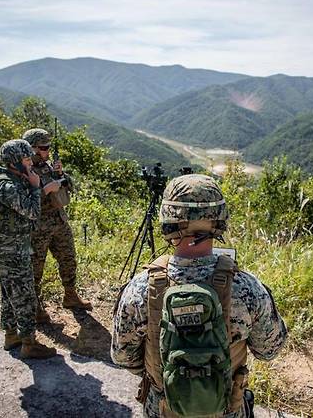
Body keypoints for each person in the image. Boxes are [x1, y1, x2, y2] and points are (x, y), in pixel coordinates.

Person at [111, 174, 287, 418]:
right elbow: (269, 350)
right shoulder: (248, 288)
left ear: (168, 222)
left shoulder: (140, 289)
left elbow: (122, 357)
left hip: (163, 410)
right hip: (227, 409)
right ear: (219, 221)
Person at [0, 139, 57, 359]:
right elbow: (31, 212)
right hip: (12, 250)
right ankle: (29, 342)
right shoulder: (7, 186)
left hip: (12, 246)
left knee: (10, 293)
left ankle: (11, 336)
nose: (30, 162)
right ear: (14, 161)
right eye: (26, 158)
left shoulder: (11, 179)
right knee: (25, 295)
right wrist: (36, 187)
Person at [22, 128, 92, 324]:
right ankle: (34, 305)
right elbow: (23, 202)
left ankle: (70, 295)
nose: (47, 151)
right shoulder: (24, 170)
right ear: (32, 148)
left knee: (69, 259)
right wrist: (45, 191)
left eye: (48, 147)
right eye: (44, 147)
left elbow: (70, 186)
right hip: (38, 228)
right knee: (36, 268)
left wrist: (61, 175)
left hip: (59, 222)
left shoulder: (47, 166)